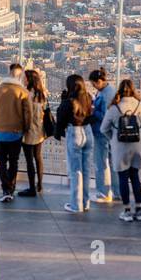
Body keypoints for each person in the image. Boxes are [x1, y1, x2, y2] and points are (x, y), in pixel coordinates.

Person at [101, 78, 141, 222]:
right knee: (135, 177)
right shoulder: (140, 106)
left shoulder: (114, 108)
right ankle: (139, 210)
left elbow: (103, 128)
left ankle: (127, 211)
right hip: (137, 146)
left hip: (119, 146)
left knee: (123, 177)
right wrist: (139, 136)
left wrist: (113, 138)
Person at [0, 63, 33, 203]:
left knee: (1, 161)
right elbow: (28, 113)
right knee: (13, 161)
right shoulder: (23, 92)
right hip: (16, 131)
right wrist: (26, 127)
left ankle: (5, 189)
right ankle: (11, 189)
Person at [55, 74, 94, 213]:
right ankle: (85, 202)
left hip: (75, 133)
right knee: (86, 170)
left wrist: (63, 101)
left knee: (75, 171)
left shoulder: (69, 101)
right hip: (88, 132)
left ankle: (76, 205)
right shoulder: (88, 97)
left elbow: (60, 117)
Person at [87, 67, 115, 203]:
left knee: (101, 162)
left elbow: (105, 116)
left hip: (102, 133)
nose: (93, 87)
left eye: (94, 84)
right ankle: (116, 192)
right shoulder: (107, 91)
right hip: (108, 133)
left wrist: (93, 111)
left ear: (99, 81)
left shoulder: (106, 94)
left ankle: (103, 193)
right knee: (111, 163)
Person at [20, 68, 48, 197]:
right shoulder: (42, 94)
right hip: (40, 130)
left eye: (25, 78)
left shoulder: (27, 95)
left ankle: (31, 188)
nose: (23, 79)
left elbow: (26, 115)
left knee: (29, 160)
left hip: (29, 130)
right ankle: (40, 184)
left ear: (29, 79)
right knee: (38, 158)